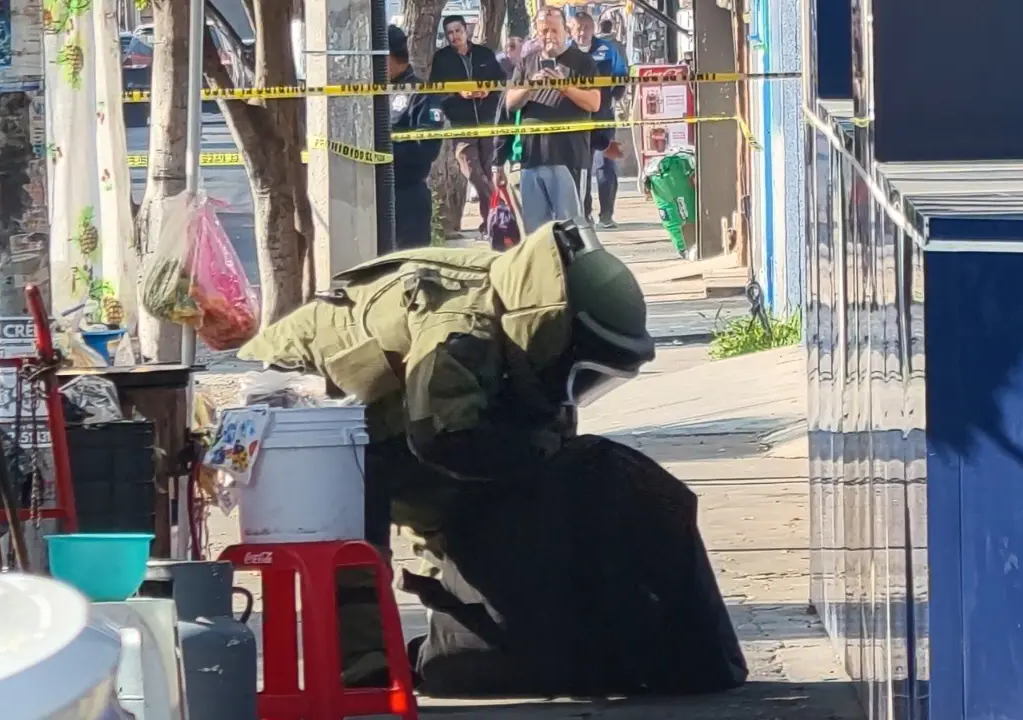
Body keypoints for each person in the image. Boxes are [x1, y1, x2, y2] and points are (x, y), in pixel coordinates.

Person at [239, 221, 747, 696]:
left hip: (386, 412)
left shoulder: (517, 318)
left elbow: (525, 447)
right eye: (582, 371)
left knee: (498, 491)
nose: (579, 389)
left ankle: (455, 638)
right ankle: (362, 661)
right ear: (551, 334)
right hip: (296, 403)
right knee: (352, 511)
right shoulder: (459, 336)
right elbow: (444, 442)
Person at [492, 7, 600, 234]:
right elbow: (510, 103)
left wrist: (565, 88)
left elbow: (594, 103)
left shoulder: (582, 62)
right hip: (532, 158)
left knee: (571, 228)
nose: (549, 35)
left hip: (569, 157)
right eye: (544, 30)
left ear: (566, 31)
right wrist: (530, 87)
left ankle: (573, 269)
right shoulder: (526, 63)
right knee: (537, 232)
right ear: (536, 32)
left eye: (554, 30)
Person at [429, 15, 507, 239]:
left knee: (487, 170)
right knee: (472, 171)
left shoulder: (484, 54)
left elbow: (500, 81)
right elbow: (435, 90)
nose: (455, 36)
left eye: (458, 31)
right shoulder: (442, 59)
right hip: (461, 123)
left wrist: (487, 90)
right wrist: (458, 93)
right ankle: (499, 209)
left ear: (466, 31)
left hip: (487, 119)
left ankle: (489, 224)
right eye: (450, 33)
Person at [387, 24, 446, 250]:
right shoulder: (375, 92)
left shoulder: (419, 94)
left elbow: (427, 148)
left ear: (390, 57)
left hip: (408, 197)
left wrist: (385, 150)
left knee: (411, 269)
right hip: (375, 197)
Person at [570, 11, 628, 228]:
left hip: (603, 116)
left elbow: (622, 75)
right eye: (577, 28)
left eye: (586, 28)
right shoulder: (566, 51)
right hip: (575, 117)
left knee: (606, 164)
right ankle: (585, 214)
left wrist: (614, 97)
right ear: (570, 30)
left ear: (593, 29)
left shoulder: (608, 49)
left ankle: (606, 214)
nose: (582, 33)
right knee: (580, 166)